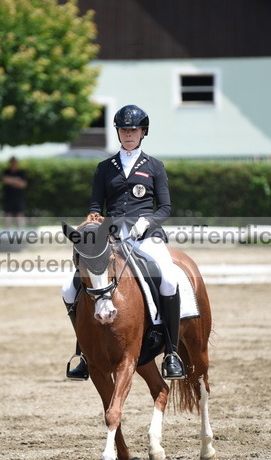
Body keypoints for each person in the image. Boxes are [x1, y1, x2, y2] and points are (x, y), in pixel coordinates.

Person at [62, 104, 185, 381]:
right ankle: (84, 353)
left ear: (143, 132)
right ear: (118, 132)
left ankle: (171, 353)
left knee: (168, 279)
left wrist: (147, 221)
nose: (128, 134)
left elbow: (165, 208)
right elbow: (96, 207)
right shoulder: (105, 168)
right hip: (112, 236)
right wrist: (92, 224)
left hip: (146, 236)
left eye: (133, 130)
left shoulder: (154, 166)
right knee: (68, 289)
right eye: (124, 130)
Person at [2, 157, 27, 227]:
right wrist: (17, 180)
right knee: (8, 215)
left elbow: (23, 184)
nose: (13, 164)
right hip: (8, 197)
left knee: (20, 215)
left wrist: (11, 181)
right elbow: (4, 180)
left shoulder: (21, 172)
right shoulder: (6, 172)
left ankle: (21, 232)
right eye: (12, 163)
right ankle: (6, 232)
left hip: (19, 198)